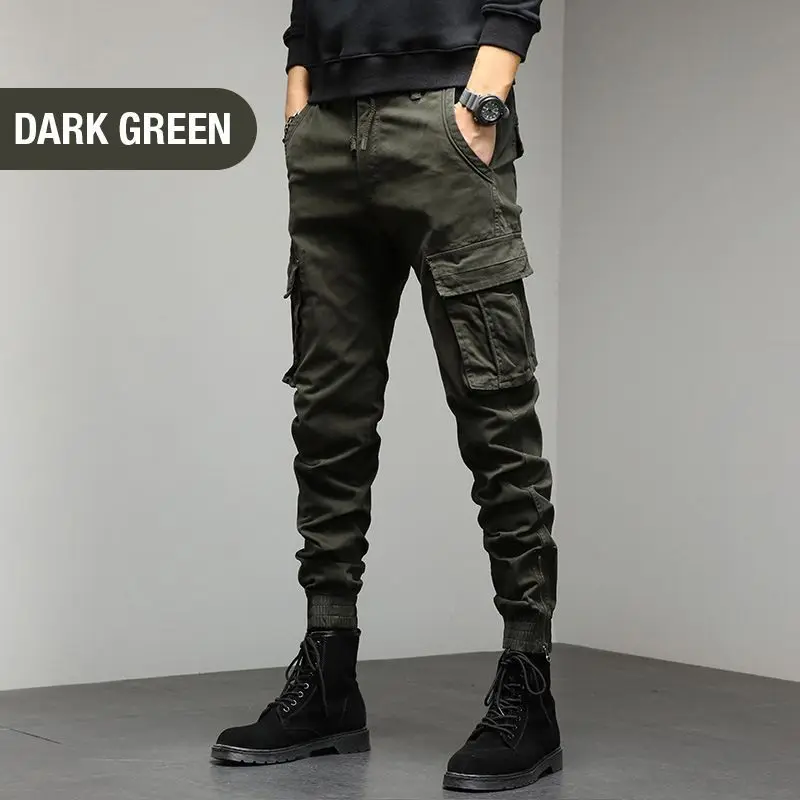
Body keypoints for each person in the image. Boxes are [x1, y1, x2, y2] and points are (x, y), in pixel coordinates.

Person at [212, 0, 561, 791]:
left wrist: (488, 85)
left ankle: (528, 683)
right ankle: (329, 679)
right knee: (327, 417)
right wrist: (300, 84)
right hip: (328, 128)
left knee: (495, 412)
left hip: (446, 116)